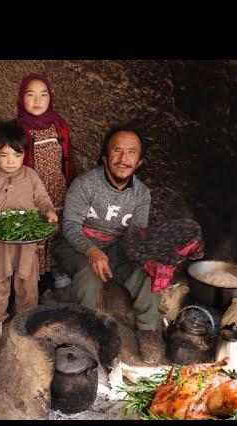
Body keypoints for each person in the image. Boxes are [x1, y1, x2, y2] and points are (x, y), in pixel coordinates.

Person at [51, 124, 164, 364]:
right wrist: (91, 250)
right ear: (105, 157)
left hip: (114, 246)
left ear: (140, 161)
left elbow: (135, 235)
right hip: (75, 244)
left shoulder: (141, 194)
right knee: (89, 273)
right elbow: (69, 225)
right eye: (117, 151)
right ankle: (86, 331)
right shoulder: (85, 184)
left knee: (149, 273)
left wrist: (148, 256)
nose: (123, 159)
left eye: (131, 152)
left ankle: (148, 329)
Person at [0, 120, 58, 339]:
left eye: (16, 156)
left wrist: (48, 211)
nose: (10, 162)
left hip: (26, 242)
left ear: (24, 155)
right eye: (4, 155)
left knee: (27, 282)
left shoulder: (31, 176)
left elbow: (42, 198)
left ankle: (25, 318)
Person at [17, 73, 77, 300]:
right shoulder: (19, 129)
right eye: (30, 95)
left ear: (50, 98)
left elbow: (68, 158)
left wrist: (72, 185)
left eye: (43, 95)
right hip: (32, 193)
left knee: (55, 230)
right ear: (22, 98)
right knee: (36, 234)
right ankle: (40, 282)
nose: (37, 100)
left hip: (57, 189)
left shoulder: (59, 125)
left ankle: (58, 273)